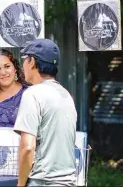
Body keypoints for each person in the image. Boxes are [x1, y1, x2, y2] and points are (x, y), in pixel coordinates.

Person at [13, 39, 77, 186]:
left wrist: (21, 184)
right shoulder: (66, 95)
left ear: (32, 62)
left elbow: (28, 147)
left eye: (25, 59)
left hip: (43, 181)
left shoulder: (33, 93)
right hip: (69, 181)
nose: (23, 65)